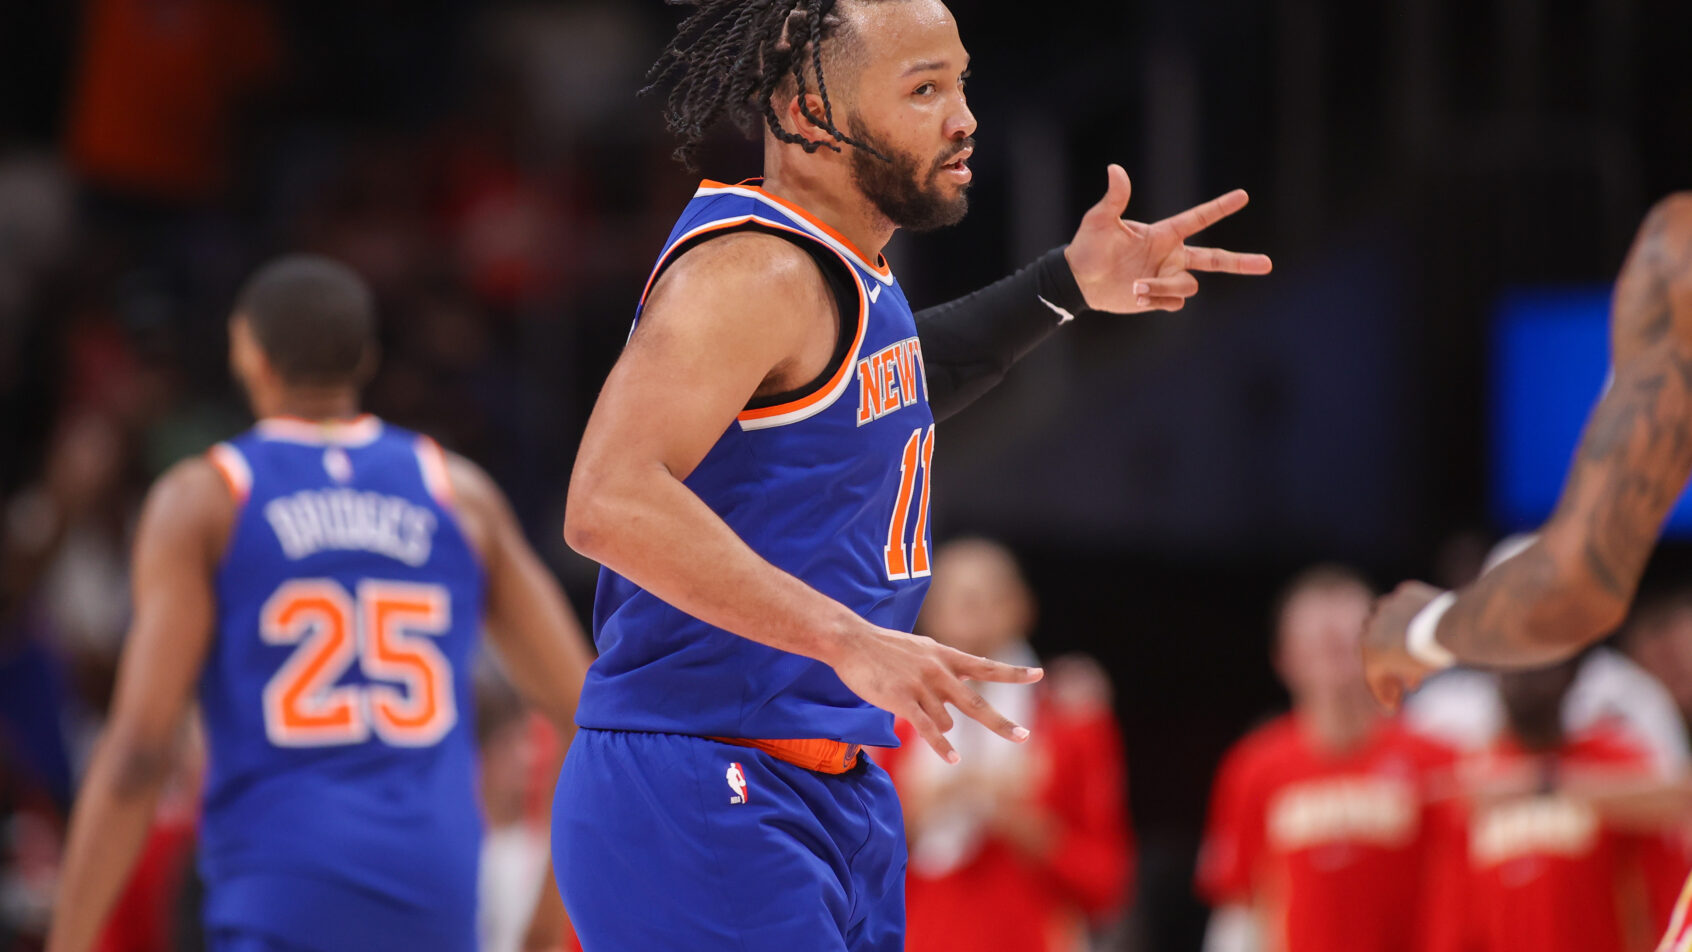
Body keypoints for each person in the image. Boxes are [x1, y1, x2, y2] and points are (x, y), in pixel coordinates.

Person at [554, 0, 1272, 948]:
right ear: (811, 115)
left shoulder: (850, 270)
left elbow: (891, 384)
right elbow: (605, 502)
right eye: (925, 89)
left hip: (826, 787)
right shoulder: (752, 272)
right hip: (702, 784)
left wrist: (1065, 284)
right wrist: (847, 638)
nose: (964, 117)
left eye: (961, 82)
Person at [45, 255, 595, 952]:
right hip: (435, 894)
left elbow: (138, 755)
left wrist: (67, 939)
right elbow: (586, 713)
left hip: (284, 891)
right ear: (365, 359)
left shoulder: (207, 499)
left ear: (249, 354)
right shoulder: (459, 494)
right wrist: (546, 927)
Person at [881, 538, 1133, 952]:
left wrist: (1024, 824)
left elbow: (1107, 882)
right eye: (956, 600)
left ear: (1022, 607)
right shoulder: (895, 724)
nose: (970, 612)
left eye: (986, 598)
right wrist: (916, 813)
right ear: (928, 613)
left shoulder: (1071, 724)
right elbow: (856, 867)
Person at [1197, 566, 1456, 952]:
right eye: (1318, 645)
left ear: (1380, 649)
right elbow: (1238, 906)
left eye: (1346, 643)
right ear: (1284, 659)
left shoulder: (1438, 763)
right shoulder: (1253, 767)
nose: (1333, 656)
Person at [1436, 659, 1685, 952]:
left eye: (1543, 667)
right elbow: (1454, 917)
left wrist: (1544, 781)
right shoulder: (1476, 777)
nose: (1528, 682)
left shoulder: (1611, 760)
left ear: (1572, 675)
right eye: (1515, 669)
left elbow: (1677, 800)